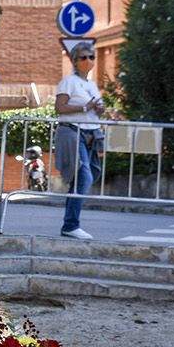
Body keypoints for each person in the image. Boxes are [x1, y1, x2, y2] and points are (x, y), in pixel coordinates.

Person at [54, 41, 119, 240]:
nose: (88, 60)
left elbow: (94, 107)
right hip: (74, 132)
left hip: (91, 133)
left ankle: (70, 223)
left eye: (91, 56)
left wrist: (102, 111)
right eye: (83, 57)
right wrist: (84, 108)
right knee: (84, 177)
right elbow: (60, 107)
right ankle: (71, 224)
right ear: (74, 60)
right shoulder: (68, 82)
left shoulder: (91, 84)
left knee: (90, 174)